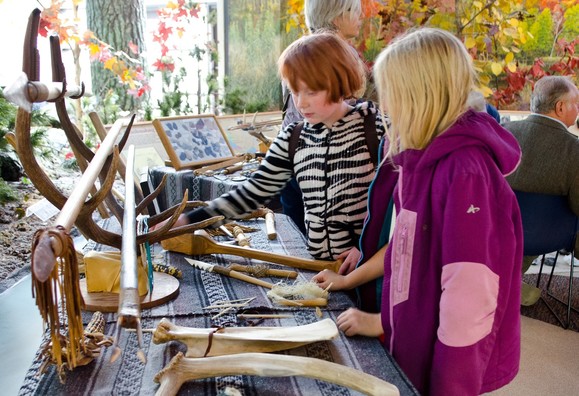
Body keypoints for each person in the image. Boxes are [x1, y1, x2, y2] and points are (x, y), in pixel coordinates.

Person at [313, 28, 523, 395]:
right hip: (412, 344)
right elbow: (406, 250)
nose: (386, 108)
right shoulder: (418, 162)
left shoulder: (465, 172)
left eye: (391, 95)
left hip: (446, 365)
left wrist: (451, 385)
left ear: (419, 96)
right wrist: (384, 320)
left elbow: (468, 298)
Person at [158, 32, 385, 262]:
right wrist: (188, 220)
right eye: (294, 91)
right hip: (324, 270)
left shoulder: (376, 128)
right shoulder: (294, 138)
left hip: (370, 270)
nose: (301, 103)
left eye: (311, 92)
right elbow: (251, 194)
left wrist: (364, 248)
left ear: (340, 80)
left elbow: (398, 207)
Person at [281, 0, 363, 236]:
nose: (360, 18)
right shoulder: (337, 58)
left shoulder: (300, 51)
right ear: (337, 17)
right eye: (354, 12)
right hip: (316, 166)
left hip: (297, 164)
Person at [504, 75, 579, 306]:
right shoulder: (574, 150)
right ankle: (510, 285)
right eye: (576, 103)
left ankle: (508, 283)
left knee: (524, 221)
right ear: (560, 107)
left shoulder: (502, 133)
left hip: (501, 228)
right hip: (552, 235)